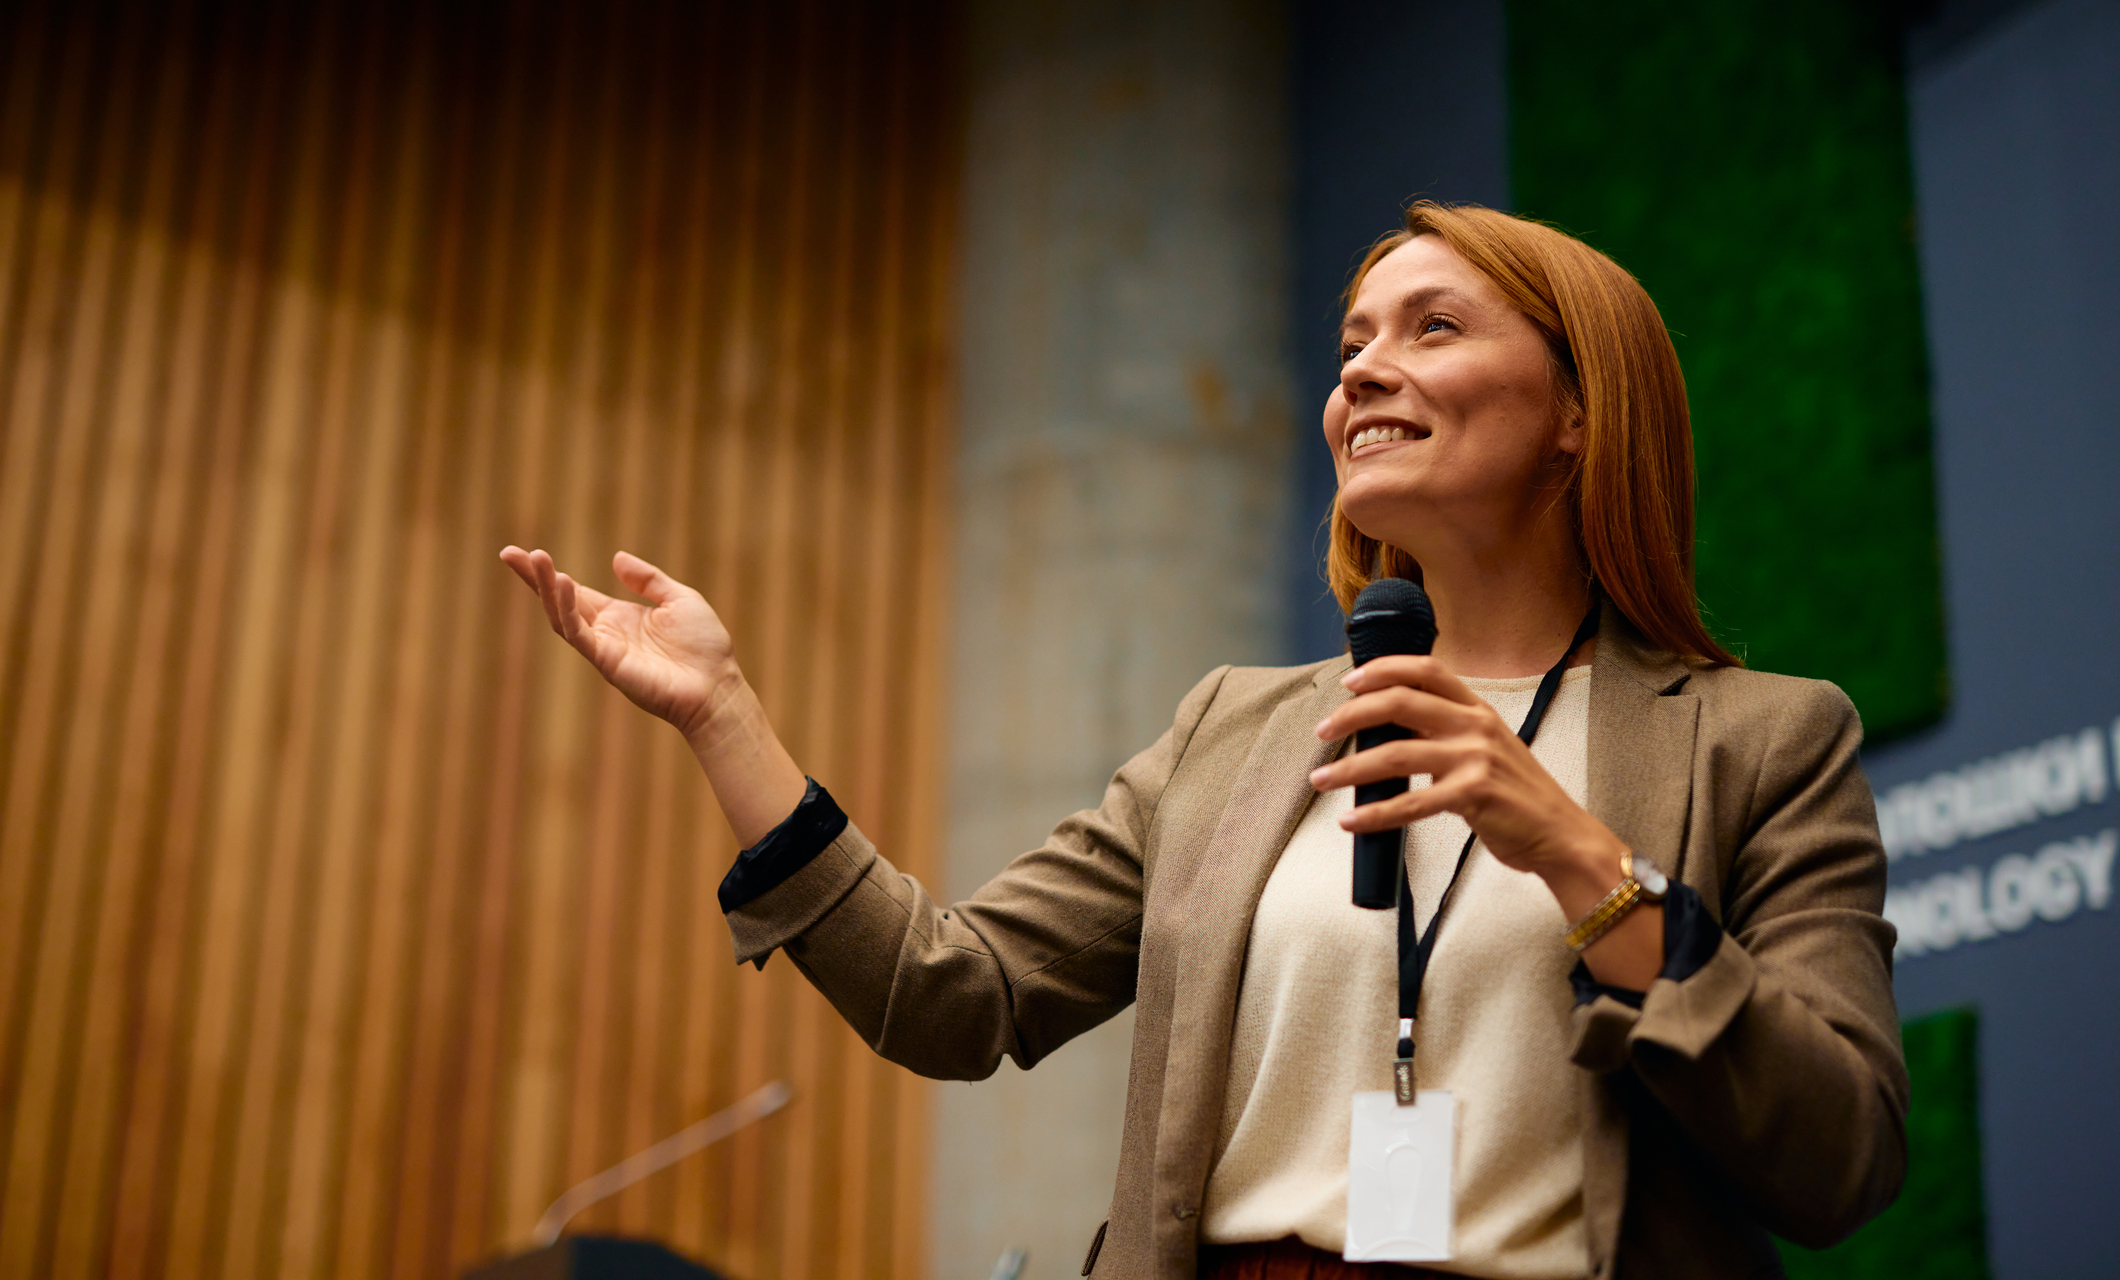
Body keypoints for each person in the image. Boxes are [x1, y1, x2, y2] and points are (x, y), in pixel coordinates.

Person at [501, 202, 1906, 1279]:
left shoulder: (1764, 739)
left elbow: (1841, 1150)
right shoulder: (1236, 727)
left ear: (1580, 411)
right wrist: (724, 716)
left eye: (1431, 328)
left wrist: (1586, 863)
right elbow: (958, 993)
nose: (1360, 373)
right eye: (1350, 342)